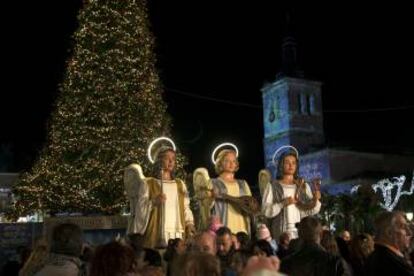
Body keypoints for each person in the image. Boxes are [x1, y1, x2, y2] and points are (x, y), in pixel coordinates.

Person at [124, 146, 195, 248]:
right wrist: (153, 202)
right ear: (159, 160)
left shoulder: (180, 184)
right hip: (157, 231)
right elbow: (140, 209)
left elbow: (186, 207)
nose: (171, 161)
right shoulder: (148, 183)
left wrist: (190, 223)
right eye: (167, 158)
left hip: (177, 230)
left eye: (173, 159)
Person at [262, 150, 321, 240]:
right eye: (287, 162)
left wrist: (315, 200)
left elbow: (309, 210)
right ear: (281, 165)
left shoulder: (303, 185)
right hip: (281, 231)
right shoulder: (272, 186)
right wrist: (282, 203)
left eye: (293, 163)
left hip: (299, 230)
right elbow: (266, 210)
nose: (291, 165)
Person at [209, 149, 252, 235]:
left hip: (241, 228)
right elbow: (206, 207)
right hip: (223, 227)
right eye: (227, 161)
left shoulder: (243, 184)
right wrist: (211, 198)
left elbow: (250, 205)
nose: (231, 163)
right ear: (220, 163)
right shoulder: (212, 182)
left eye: (234, 161)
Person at [365, 211, 414, 275]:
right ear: (389, 233)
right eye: (403, 227)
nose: (409, 233)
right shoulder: (392, 263)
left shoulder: (374, 258)